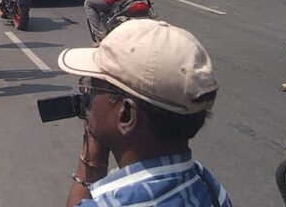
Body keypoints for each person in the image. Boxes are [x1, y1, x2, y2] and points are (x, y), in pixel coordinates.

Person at [57, 19, 228, 206]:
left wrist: (91, 161)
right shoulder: (209, 186)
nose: (87, 98)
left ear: (126, 115)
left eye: (94, 88)